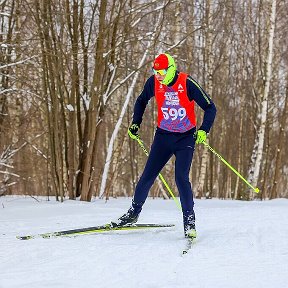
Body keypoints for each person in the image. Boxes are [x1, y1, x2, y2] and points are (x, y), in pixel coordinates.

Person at [112, 53, 217, 239]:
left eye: (161, 72)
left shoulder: (186, 83)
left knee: (181, 178)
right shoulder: (154, 83)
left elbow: (210, 107)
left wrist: (204, 130)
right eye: (155, 71)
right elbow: (141, 100)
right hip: (163, 137)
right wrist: (136, 122)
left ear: (171, 69)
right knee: (147, 176)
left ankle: (189, 221)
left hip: (185, 138)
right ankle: (133, 213)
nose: (158, 75)